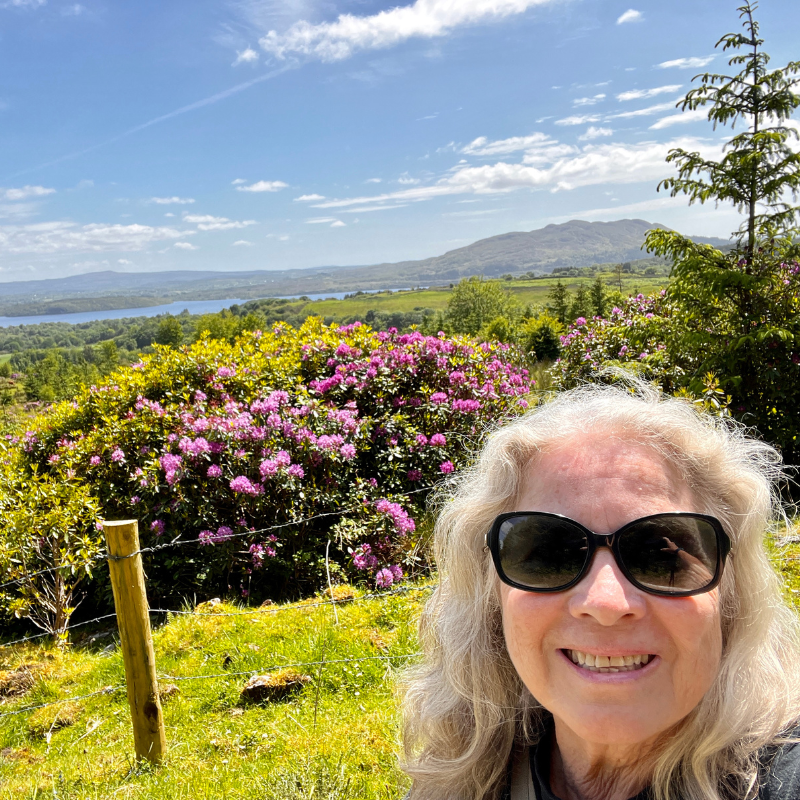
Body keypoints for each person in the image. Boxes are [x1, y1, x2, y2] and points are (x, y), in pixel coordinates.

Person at [401, 381, 800, 800]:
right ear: (491, 596)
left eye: (660, 556)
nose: (605, 603)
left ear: (731, 595)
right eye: (548, 552)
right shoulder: (460, 775)